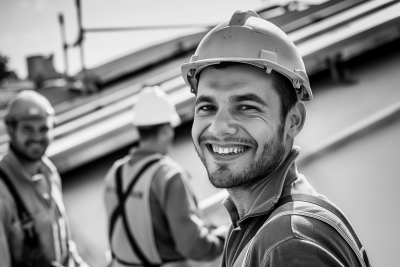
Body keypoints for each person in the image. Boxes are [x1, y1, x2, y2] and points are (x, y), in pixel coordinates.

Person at [181, 10, 372, 267]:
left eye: (246, 107)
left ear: (293, 120)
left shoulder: (290, 243)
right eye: (207, 107)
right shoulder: (253, 226)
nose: (219, 128)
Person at [103, 86, 226, 267]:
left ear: (139, 130)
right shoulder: (170, 176)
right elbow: (192, 246)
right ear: (166, 130)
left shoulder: (115, 171)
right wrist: (221, 240)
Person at [0, 90, 88, 266]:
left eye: (44, 129)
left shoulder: (50, 175)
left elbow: (66, 250)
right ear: (10, 128)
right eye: (28, 129)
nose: (37, 137)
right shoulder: (3, 191)